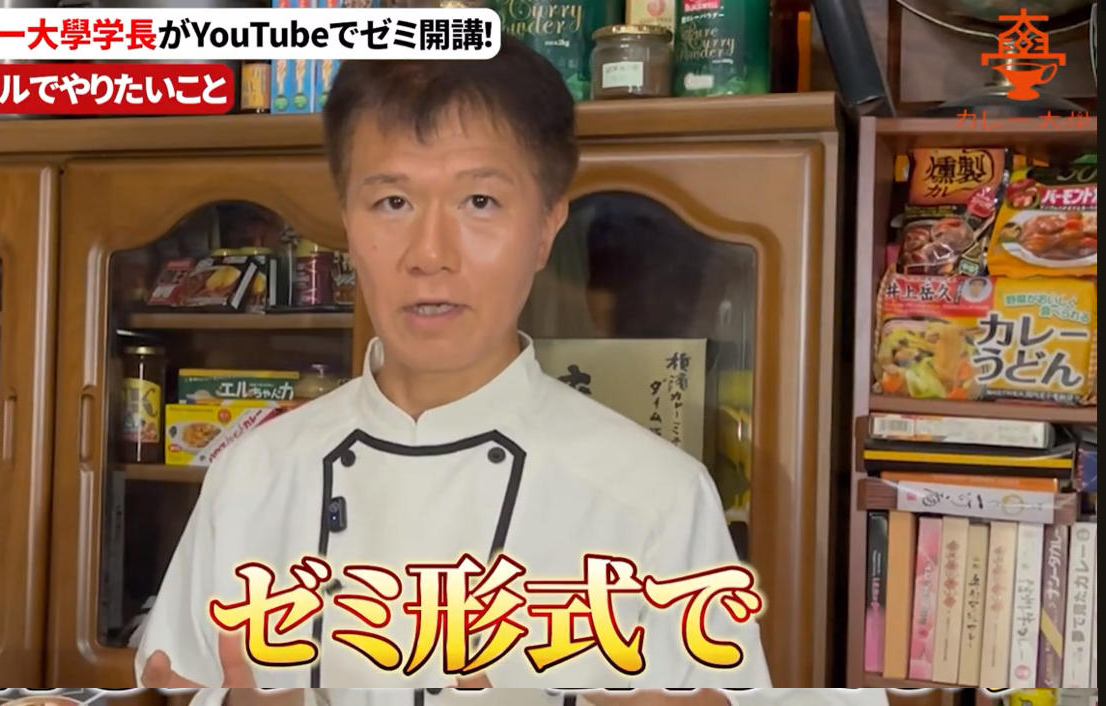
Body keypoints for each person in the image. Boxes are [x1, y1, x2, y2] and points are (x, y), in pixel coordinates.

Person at [135, 33, 885, 706]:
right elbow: (175, 682)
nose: (430, 254)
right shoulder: (254, 477)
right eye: (392, 201)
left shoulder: (655, 498)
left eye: (480, 200)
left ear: (546, 228)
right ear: (347, 222)